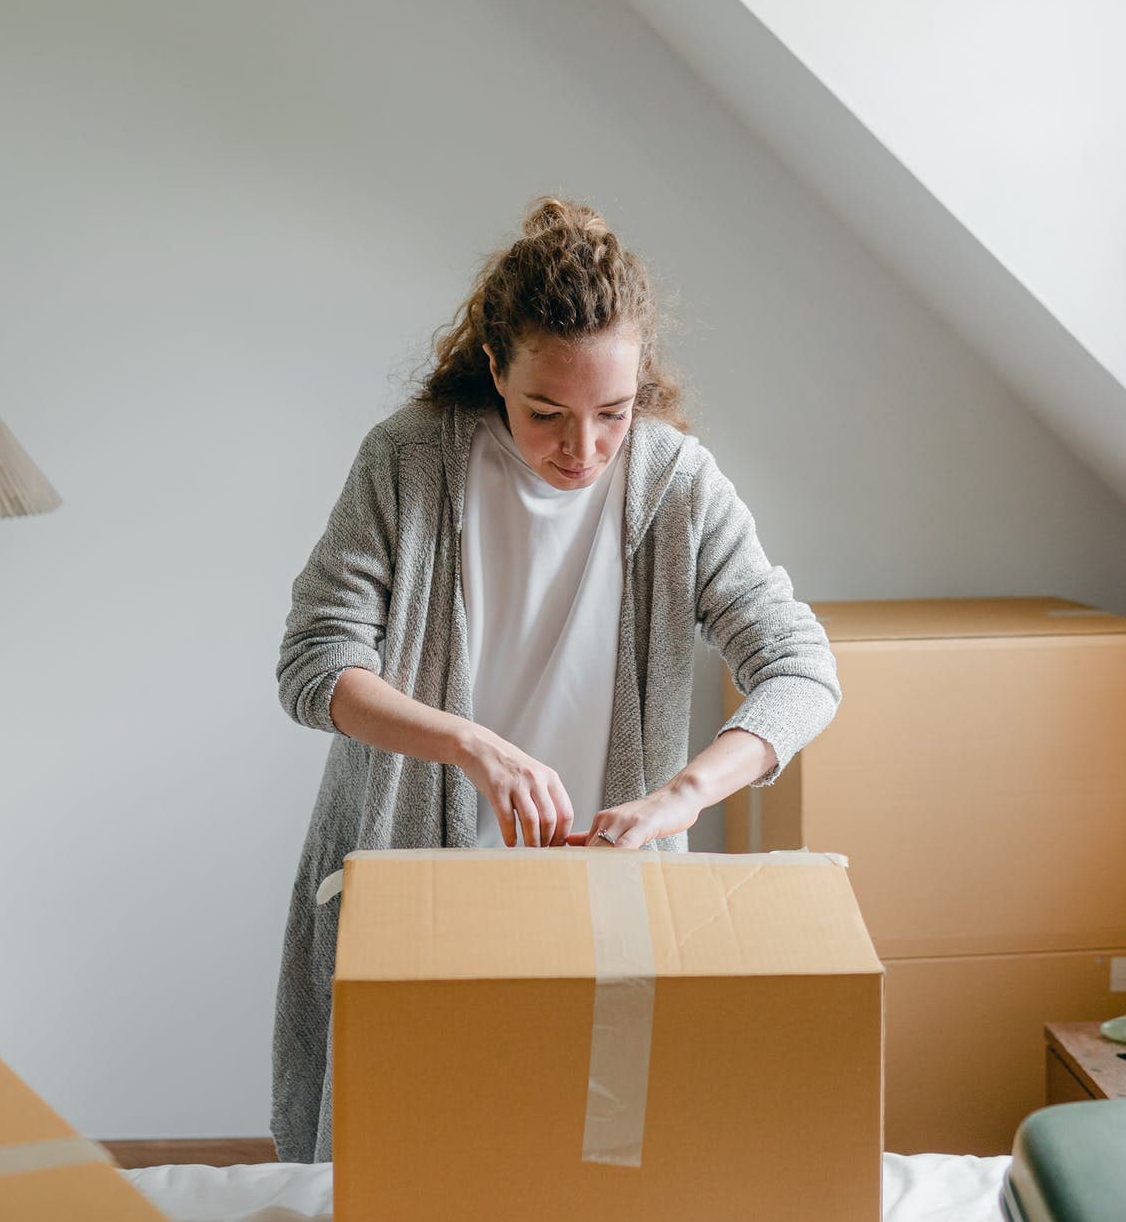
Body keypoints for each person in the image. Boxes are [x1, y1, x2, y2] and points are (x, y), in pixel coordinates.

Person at [269, 196, 841, 1162]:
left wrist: (682, 797)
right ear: (495, 368)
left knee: (591, 1165)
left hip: (602, 892)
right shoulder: (408, 463)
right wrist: (473, 745)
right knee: (406, 1162)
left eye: (612, 414)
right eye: (547, 413)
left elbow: (801, 668)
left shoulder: (676, 485)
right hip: (423, 889)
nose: (583, 449)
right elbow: (315, 666)